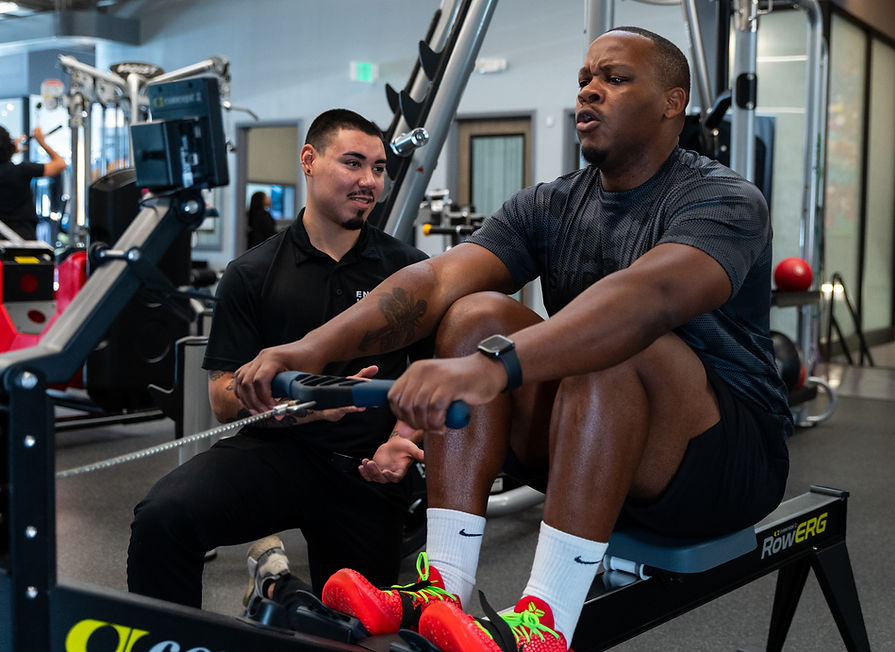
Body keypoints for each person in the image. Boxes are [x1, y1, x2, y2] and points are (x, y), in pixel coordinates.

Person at [234, 27, 791, 652]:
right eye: (584, 79)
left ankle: (546, 622)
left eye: (614, 78)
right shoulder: (550, 205)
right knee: (475, 314)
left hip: (723, 463)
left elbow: (646, 300)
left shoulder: (723, 199)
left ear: (672, 102)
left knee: (613, 342)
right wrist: (312, 349)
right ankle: (444, 583)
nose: (591, 91)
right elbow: (439, 278)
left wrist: (495, 369)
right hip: (595, 448)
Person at [127, 109, 431, 610]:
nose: (368, 181)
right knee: (163, 517)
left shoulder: (409, 271)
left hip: (367, 465)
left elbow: (428, 377)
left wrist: (400, 443)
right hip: (277, 453)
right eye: (353, 163)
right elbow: (223, 397)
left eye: (377, 168)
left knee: (362, 620)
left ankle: (273, 583)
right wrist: (300, 404)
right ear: (309, 161)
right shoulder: (252, 273)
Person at [0, 125, 66, 240]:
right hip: (24, 241)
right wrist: (42, 142)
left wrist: (9, 151)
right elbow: (60, 164)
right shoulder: (21, 170)